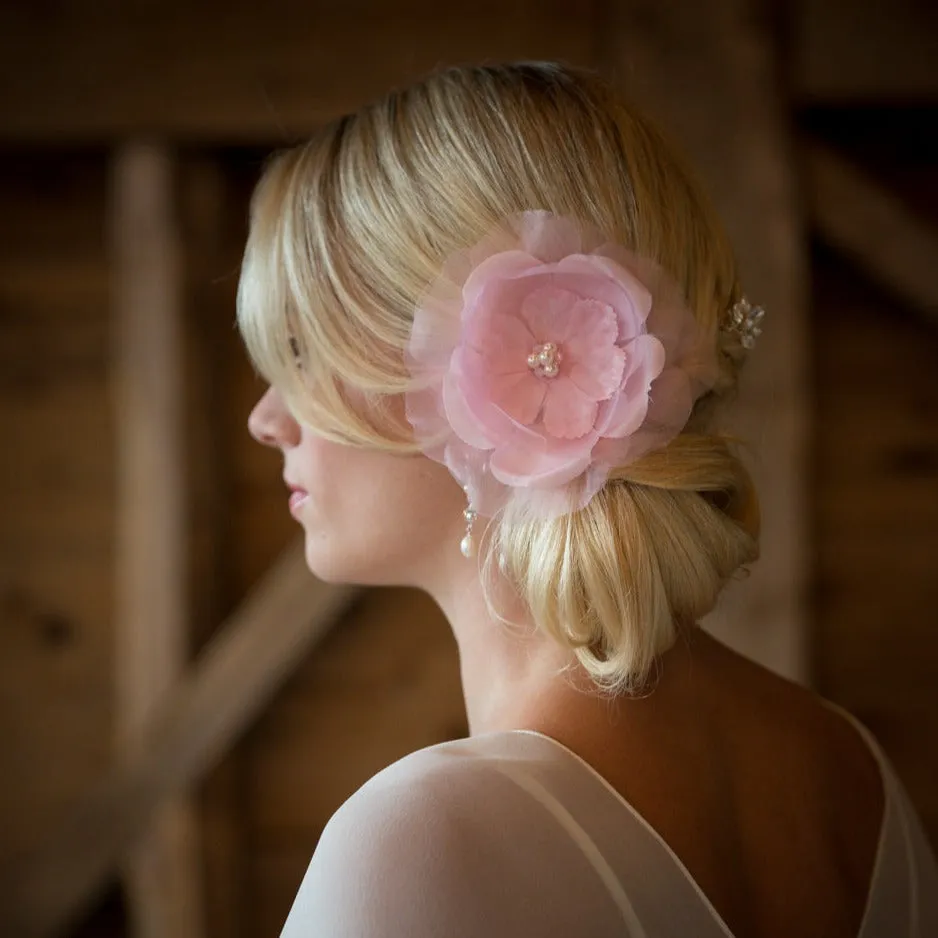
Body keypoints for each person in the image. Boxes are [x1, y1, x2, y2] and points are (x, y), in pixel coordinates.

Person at [239, 62, 937, 938]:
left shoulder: (419, 844)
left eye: (300, 353)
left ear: (468, 361)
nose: (268, 418)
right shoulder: (856, 779)